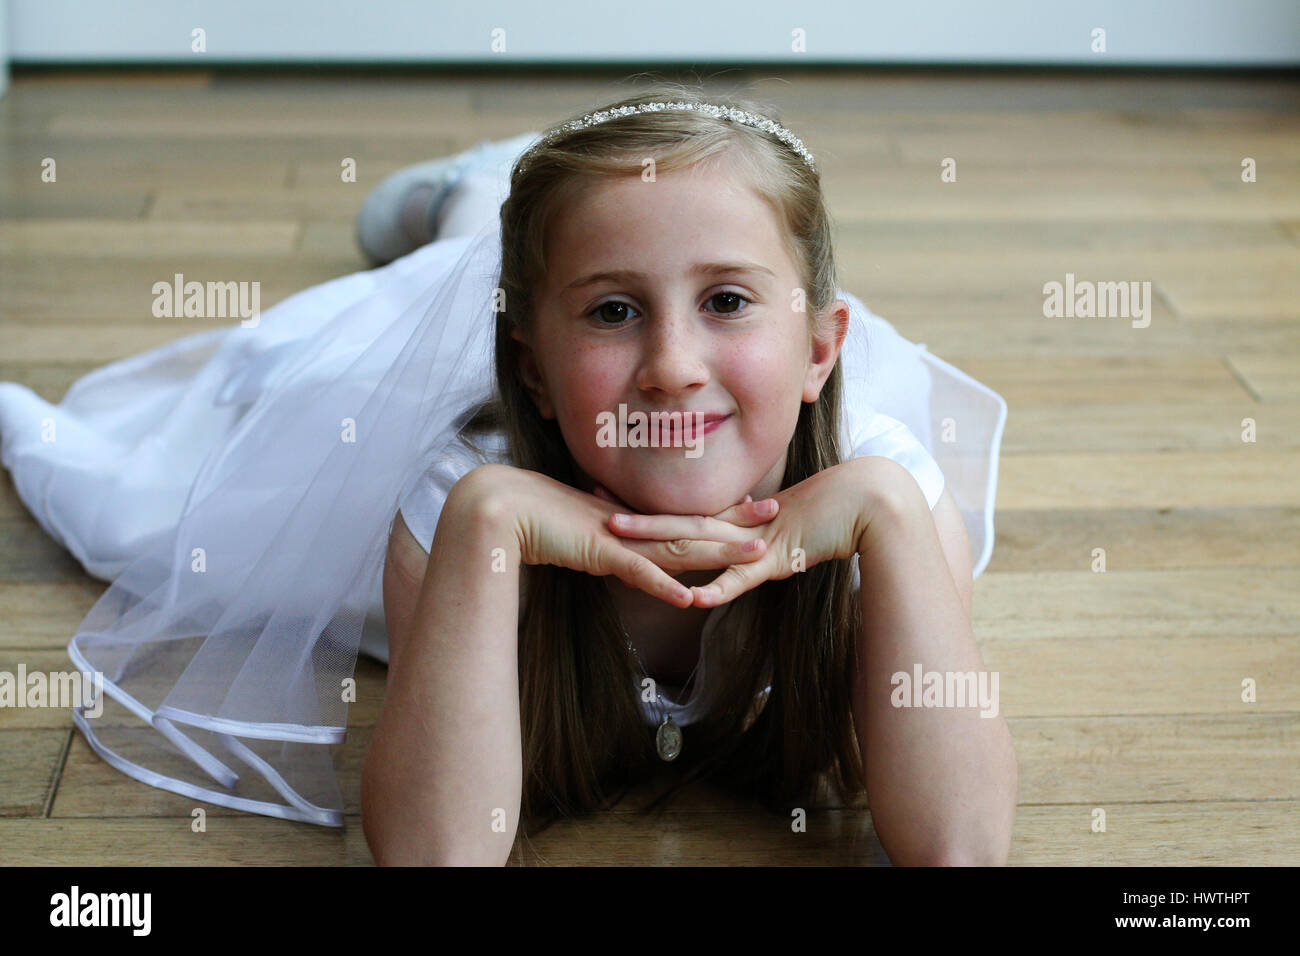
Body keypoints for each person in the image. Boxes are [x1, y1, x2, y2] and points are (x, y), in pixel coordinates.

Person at [0, 83, 1012, 864]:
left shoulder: (892, 496)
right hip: (480, 413)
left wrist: (882, 505)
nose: (669, 365)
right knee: (169, 482)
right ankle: (466, 200)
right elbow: (439, 851)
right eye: (614, 310)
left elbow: (958, 845)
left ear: (823, 354)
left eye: (728, 300)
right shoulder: (458, 494)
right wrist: (487, 519)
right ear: (530, 365)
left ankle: (482, 199)